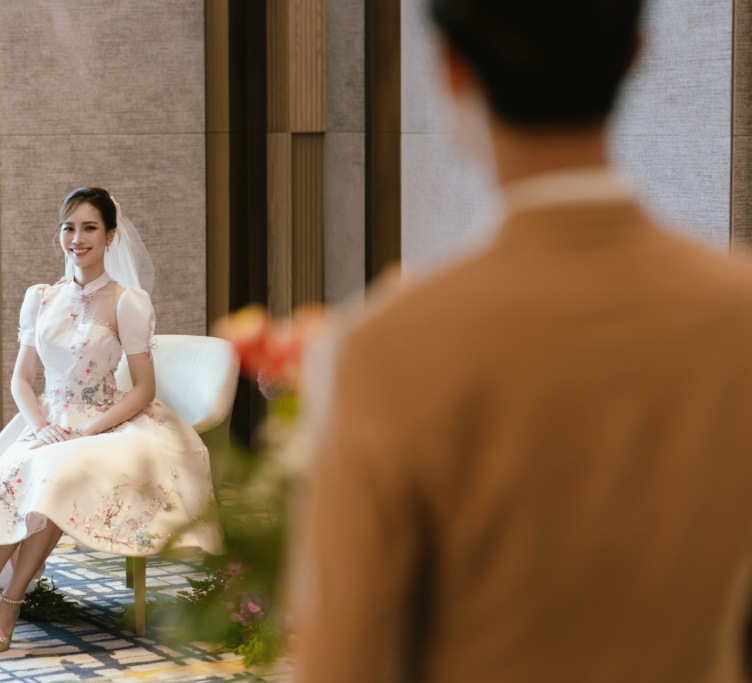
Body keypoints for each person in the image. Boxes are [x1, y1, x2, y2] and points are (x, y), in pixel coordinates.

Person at [292, 1, 752, 681]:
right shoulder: (737, 312)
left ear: (453, 70)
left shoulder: (387, 347)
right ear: (636, 53)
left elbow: (342, 662)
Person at [0, 187, 221, 661]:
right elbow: (21, 380)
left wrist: (88, 432)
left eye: (90, 227)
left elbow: (143, 389)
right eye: (69, 227)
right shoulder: (40, 298)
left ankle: (8, 606)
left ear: (110, 236)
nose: (78, 238)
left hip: (108, 424)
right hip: (48, 419)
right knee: (12, 476)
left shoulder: (127, 302)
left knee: (54, 475)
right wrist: (41, 427)